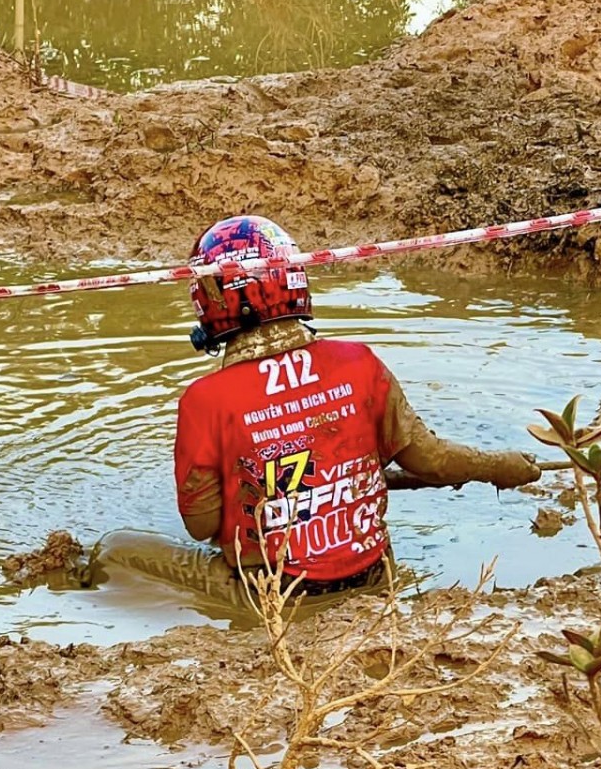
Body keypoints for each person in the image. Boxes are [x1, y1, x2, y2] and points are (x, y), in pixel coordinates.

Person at [81, 215, 540, 611]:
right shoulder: (359, 362)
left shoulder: (206, 399)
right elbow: (432, 461)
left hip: (269, 593)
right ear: (293, 278)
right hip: (374, 576)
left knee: (115, 551)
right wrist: (498, 466)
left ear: (209, 300)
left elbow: (202, 527)